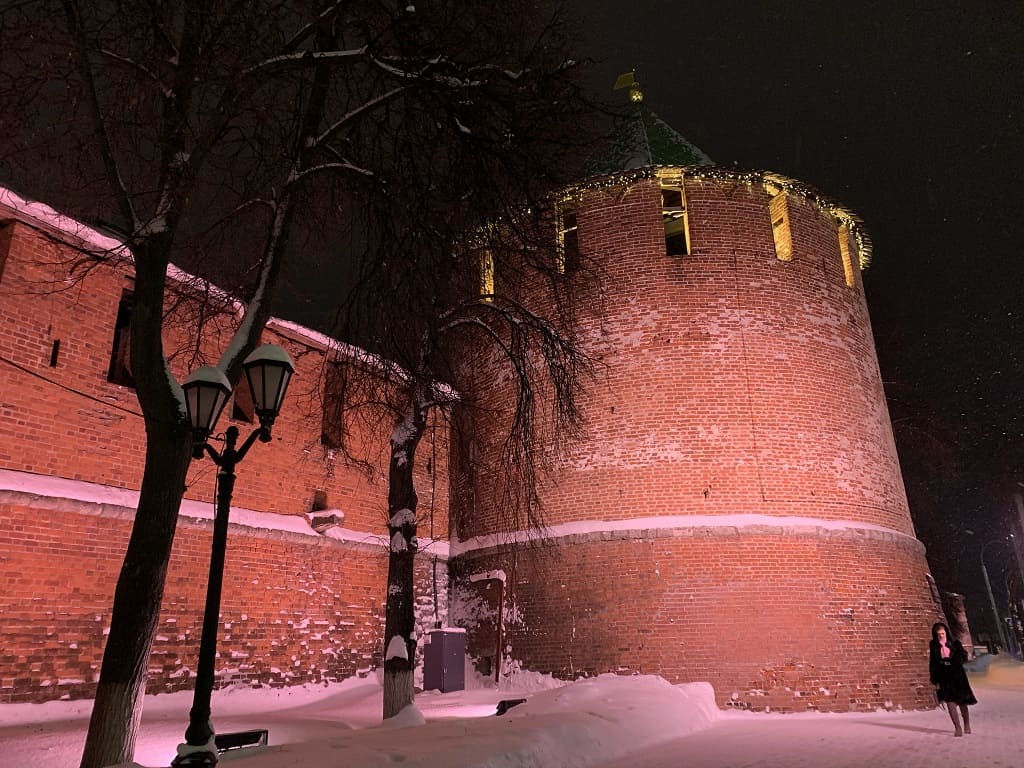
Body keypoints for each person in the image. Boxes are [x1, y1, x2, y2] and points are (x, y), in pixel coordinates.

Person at [929, 621, 977, 736]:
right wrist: (934, 678)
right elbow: (933, 663)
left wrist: (959, 656)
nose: (941, 636)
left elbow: (963, 657)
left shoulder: (955, 644)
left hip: (957, 675)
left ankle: (966, 724)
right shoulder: (934, 646)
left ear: (946, 633)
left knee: (962, 702)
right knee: (950, 702)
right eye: (938, 634)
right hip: (944, 676)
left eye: (942, 633)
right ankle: (957, 727)